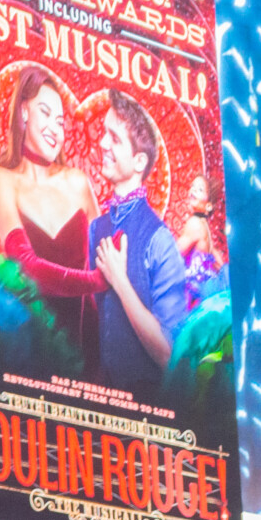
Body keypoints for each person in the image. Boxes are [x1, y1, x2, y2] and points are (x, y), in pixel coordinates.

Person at [0, 67, 102, 354]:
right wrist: (97, 281)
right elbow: (25, 265)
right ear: (24, 111)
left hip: (89, 355)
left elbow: (108, 258)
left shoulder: (78, 182)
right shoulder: (2, 178)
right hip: (31, 355)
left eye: (61, 121)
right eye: (45, 112)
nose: (55, 128)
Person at [88, 93, 192, 389]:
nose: (102, 144)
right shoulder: (95, 229)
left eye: (114, 138)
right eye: (104, 134)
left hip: (149, 420)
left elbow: (170, 356)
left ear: (139, 161)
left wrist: (120, 281)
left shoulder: (159, 241)